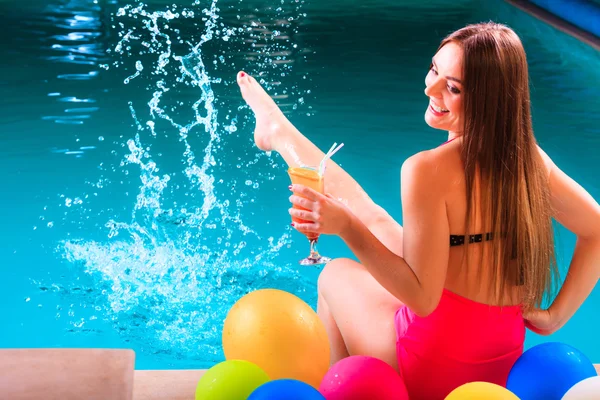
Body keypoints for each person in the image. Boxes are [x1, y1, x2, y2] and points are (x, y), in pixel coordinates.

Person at [236, 22, 600, 399]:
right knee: (374, 216)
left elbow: (422, 298)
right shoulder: (530, 161)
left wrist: (345, 228)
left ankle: (337, 390)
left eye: (453, 88)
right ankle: (279, 133)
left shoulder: (427, 169)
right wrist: (555, 316)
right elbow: (597, 229)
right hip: (497, 366)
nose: (431, 89)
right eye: (434, 70)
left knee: (335, 274)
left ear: (491, 100)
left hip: (430, 369)